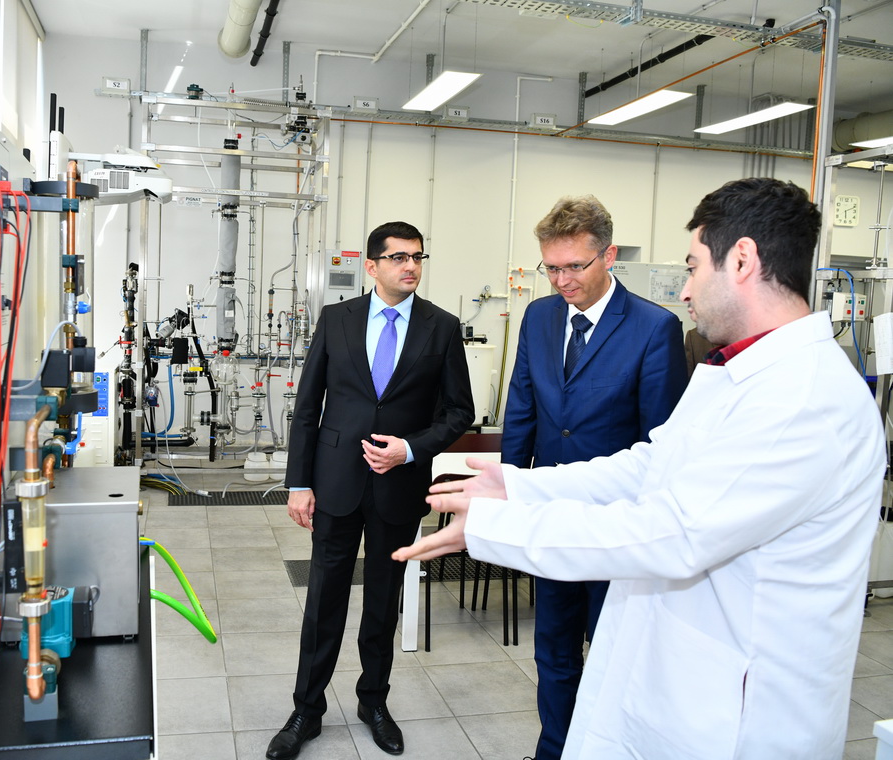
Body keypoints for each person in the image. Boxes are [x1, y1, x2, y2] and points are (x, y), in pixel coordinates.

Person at [394, 177, 885, 760]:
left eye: (693, 267)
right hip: (690, 676)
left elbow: (673, 533)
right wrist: (521, 484)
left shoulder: (804, 400)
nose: (686, 290)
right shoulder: (741, 375)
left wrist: (496, 526)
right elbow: (651, 462)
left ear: (743, 260)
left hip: (742, 713)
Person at [266, 221, 474, 759]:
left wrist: (410, 449)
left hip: (399, 486)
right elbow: (308, 406)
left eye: (418, 257)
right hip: (336, 482)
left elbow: (459, 412)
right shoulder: (337, 319)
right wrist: (299, 482)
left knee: (383, 603)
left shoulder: (442, 327)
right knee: (323, 601)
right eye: (399, 257)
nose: (411, 266)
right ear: (372, 265)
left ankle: (374, 703)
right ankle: (306, 710)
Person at [501, 195, 688, 760]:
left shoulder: (654, 328)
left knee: (614, 654)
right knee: (553, 651)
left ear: (608, 256)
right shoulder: (539, 317)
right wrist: (509, 489)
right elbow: (522, 407)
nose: (561, 280)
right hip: (552, 520)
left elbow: (661, 445)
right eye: (551, 268)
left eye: (574, 266)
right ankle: (554, 750)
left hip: (617, 528)